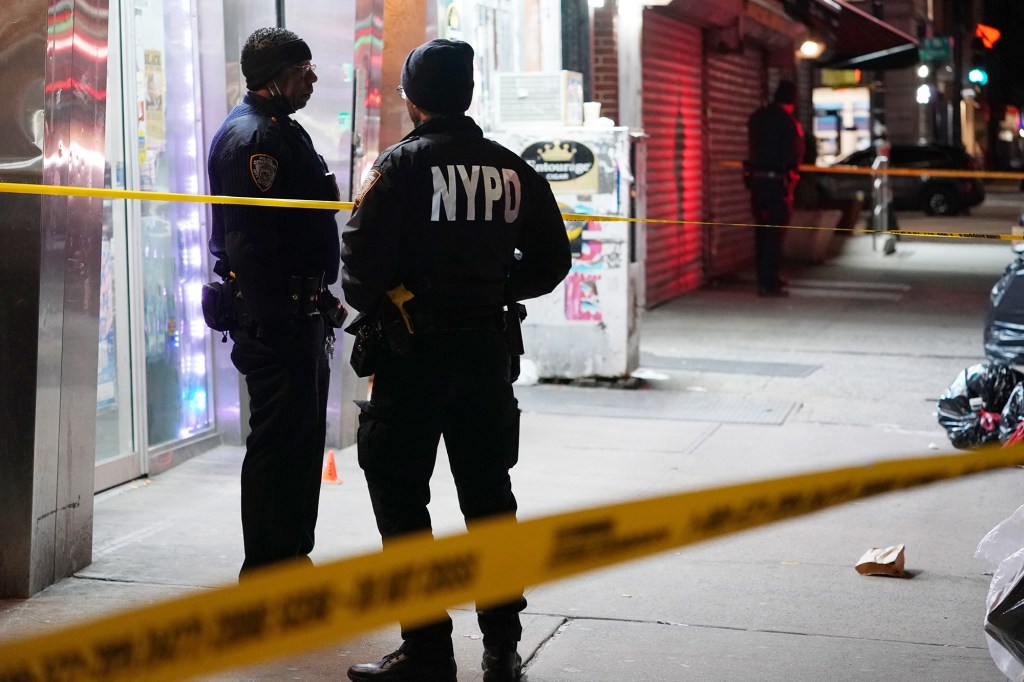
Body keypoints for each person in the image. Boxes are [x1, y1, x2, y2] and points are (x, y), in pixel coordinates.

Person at [341, 39, 571, 682]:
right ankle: (502, 647)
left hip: (412, 356)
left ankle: (427, 651)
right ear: (467, 95)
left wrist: (407, 293)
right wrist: (497, 288)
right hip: (485, 356)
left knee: (402, 501)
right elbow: (552, 261)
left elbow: (358, 272)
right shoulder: (511, 169)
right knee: (490, 501)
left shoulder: (399, 168)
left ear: (413, 98)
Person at [207, 27, 344, 575]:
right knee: (276, 443)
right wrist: (279, 326)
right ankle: (266, 570)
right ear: (274, 78)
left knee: (302, 440)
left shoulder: (283, 130)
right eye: (302, 68)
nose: (312, 77)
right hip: (276, 317)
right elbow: (248, 241)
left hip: (300, 310)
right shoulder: (253, 140)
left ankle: (291, 556)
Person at [745, 79, 805, 297]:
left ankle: (764, 277)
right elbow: (795, 152)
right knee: (775, 234)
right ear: (792, 100)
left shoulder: (757, 117)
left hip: (757, 183)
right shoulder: (789, 122)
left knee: (761, 231)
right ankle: (769, 283)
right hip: (778, 184)